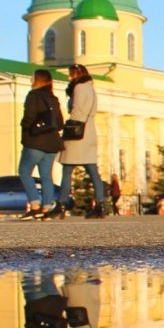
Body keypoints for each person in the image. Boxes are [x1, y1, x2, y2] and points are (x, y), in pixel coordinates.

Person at [48, 64, 106, 218]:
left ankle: (61, 205)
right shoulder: (91, 88)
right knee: (93, 171)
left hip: (77, 132)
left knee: (67, 170)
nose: (69, 77)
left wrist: (70, 125)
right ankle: (101, 204)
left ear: (77, 74)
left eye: (71, 74)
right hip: (89, 130)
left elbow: (77, 110)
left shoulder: (79, 88)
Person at [17, 69, 64, 220]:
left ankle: (35, 205)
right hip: (52, 143)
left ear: (39, 80)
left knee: (24, 171)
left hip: (36, 141)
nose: (31, 79)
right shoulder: (53, 98)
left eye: (33, 77)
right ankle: (47, 207)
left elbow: (29, 117)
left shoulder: (33, 96)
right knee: (46, 176)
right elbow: (60, 123)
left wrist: (24, 125)